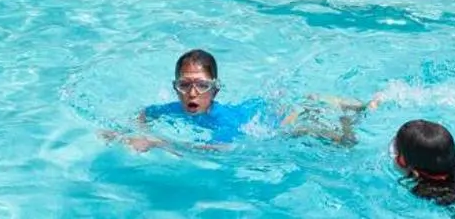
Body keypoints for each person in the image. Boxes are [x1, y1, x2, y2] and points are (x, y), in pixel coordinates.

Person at [110, 48, 373, 152]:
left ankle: (346, 111)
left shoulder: (221, 120)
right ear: (175, 88)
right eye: (184, 85)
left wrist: (157, 142)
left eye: (202, 86)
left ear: (215, 90)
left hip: (272, 121)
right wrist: (130, 132)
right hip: (253, 108)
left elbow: (216, 151)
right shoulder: (171, 109)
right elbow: (144, 113)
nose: (192, 93)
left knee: (341, 142)